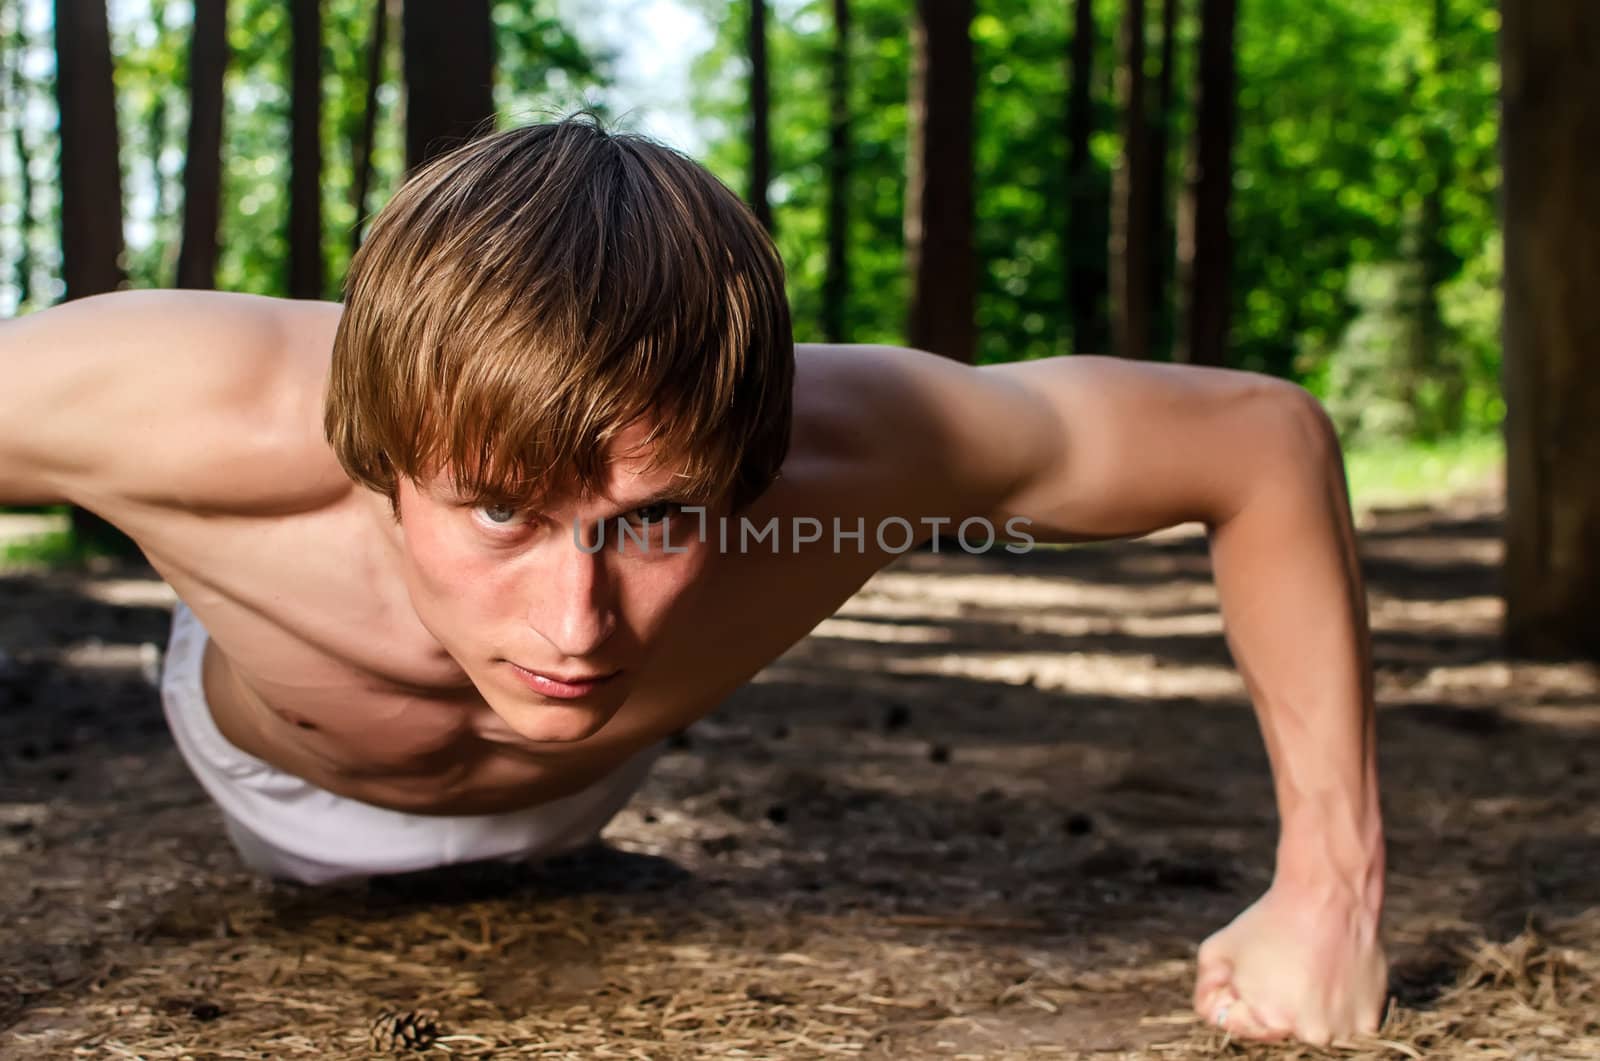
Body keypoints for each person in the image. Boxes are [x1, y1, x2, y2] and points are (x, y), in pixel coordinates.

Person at [0, 118, 1386, 1044]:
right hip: (273, 765)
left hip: (582, 794)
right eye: (497, 509)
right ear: (377, 460)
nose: (574, 624)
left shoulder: (854, 454)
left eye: (657, 520)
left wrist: (1330, 891)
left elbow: (1259, 439)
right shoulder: (187, 411)